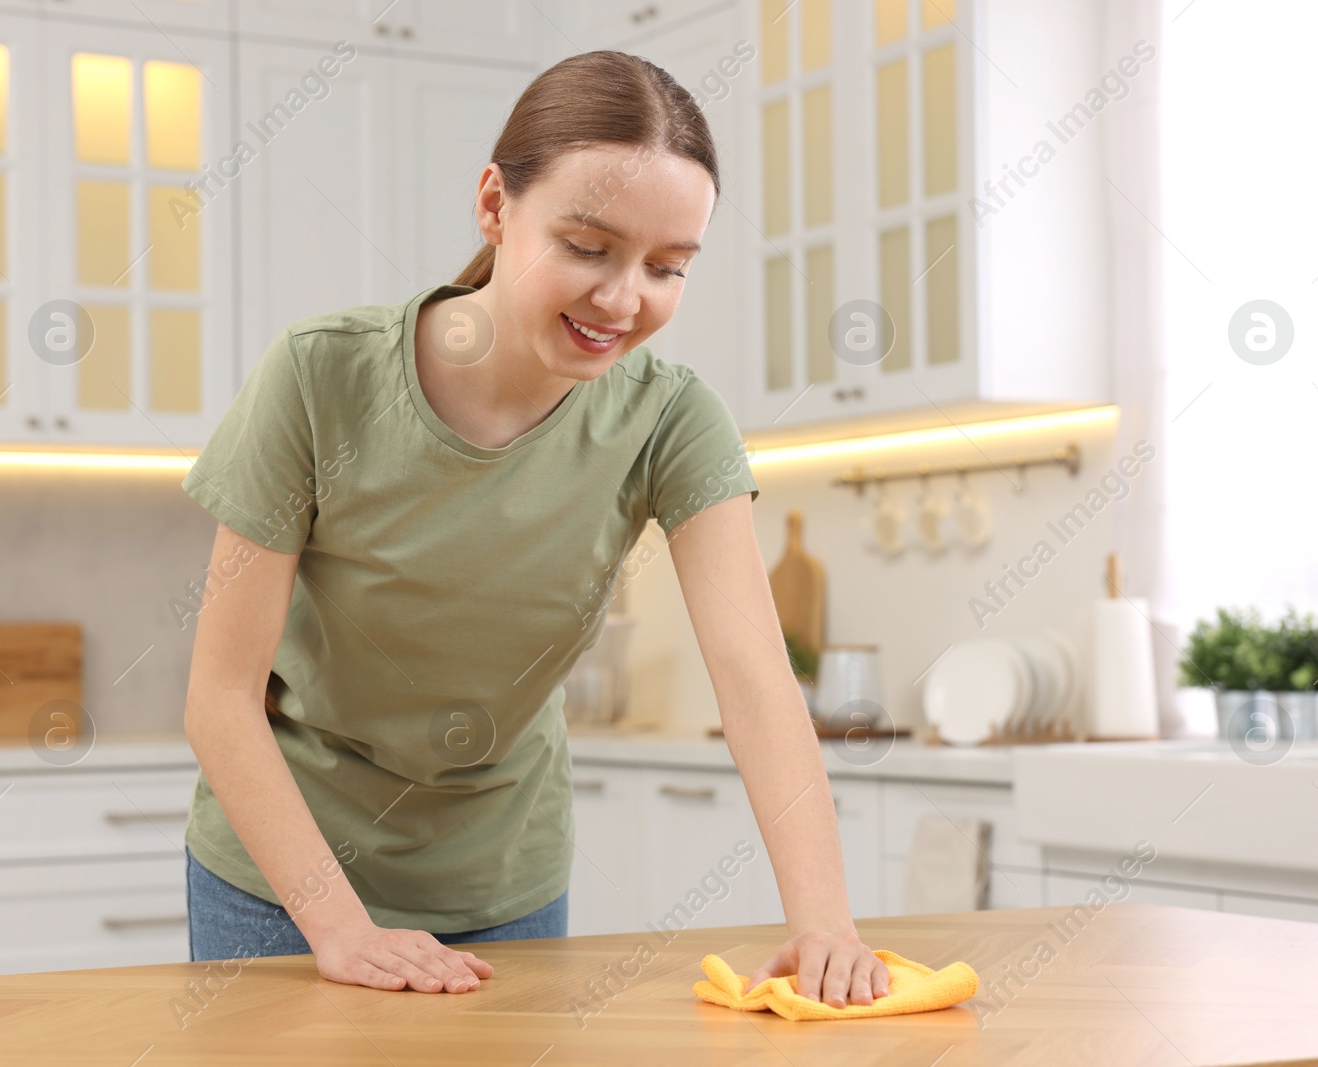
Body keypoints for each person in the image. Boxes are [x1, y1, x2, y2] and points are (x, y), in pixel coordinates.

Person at [180, 49, 889, 1008]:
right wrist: (340, 928)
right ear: (494, 205)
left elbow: (756, 679)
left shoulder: (672, 420)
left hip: (503, 885)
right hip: (281, 883)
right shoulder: (319, 378)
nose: (623, 299)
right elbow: (219, 695)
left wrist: (824, 924)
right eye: (589, 247)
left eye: (668, 267)